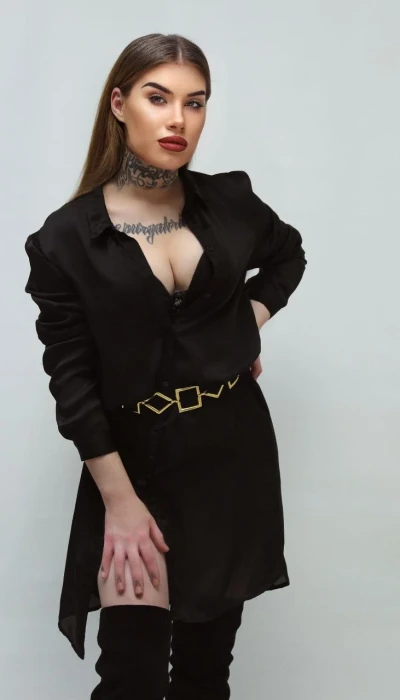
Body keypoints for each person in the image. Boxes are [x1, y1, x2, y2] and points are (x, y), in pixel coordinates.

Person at [24, 32, 307, 700]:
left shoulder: (229, 203)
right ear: (119, 104)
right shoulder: (66, 240)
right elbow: (73, 383)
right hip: (132, 465)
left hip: (230, 452)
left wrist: (241, 326)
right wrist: (120, 504)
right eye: (159, 98)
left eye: (195, 102)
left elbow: (288, 254)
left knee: (206, 675)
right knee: (132, 676)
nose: (178, 118)